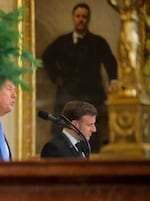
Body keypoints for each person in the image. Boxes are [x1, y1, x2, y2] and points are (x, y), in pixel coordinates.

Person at [42, 2, 117, 153]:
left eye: (84, 16)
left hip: (92, 95)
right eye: (78, 16)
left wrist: (113, 81)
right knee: (63, 134)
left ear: (88, 19)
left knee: (92, 135)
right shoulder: (62, 41)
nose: (81, 19)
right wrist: (56, 76)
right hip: (67, 95)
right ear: (73, 18)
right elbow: (47, 57)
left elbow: (110, 61)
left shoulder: (98, 42)